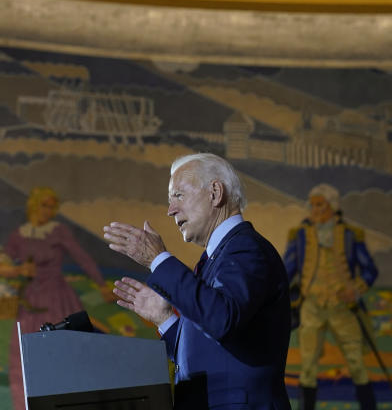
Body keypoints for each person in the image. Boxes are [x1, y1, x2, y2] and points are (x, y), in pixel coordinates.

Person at [102, 153, 291, 410]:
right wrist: (165, 319)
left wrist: (158, 260)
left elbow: (222, 319)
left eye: (178, 195)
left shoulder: (246, 248)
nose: (170, 210)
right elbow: (212, 344)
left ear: (215, 192)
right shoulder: (217, 257)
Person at [0, 186, 111, 410]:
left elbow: (82, 258)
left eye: (51, 206)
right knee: (24, 359)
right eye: (44, 205)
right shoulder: (19, 235)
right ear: (34, 204)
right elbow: (2, 267)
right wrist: (19, 271)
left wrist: (101, 285)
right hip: (30, 303)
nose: (48, 210)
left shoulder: (58, 231)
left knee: (65, 356)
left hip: (58, 299)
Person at [284, 183, 378, 410]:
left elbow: (369, 271)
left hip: (343, 308)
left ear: (332, 207)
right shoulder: (299, 236)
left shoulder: (350, 235)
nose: (314, 209)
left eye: (320, 204)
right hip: (311, 307)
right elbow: (286, 271)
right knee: (307, 368)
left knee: (356, 364)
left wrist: (355, 290)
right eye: (312, 204)